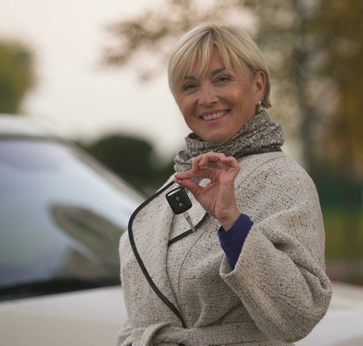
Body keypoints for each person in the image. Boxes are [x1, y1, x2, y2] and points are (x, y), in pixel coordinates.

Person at [117, 22, 332, 346]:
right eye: (190, 86)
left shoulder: (284, 180)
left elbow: (299, 314)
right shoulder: (176, 183)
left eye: (222, 79)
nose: (206, 98)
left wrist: (233, 223)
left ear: (258, 85)